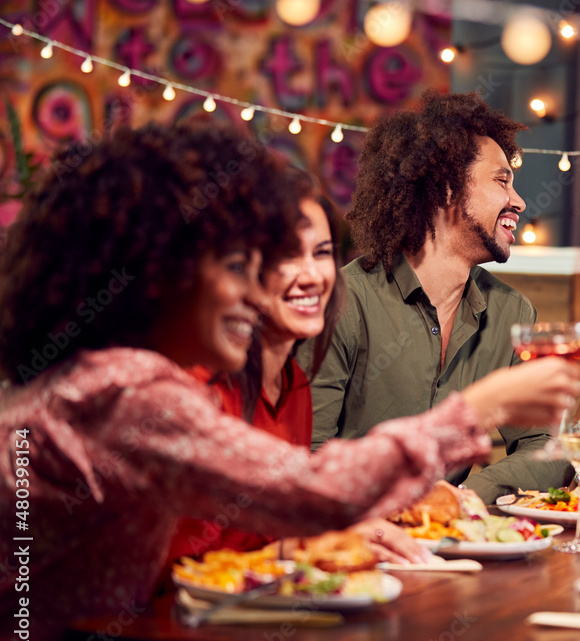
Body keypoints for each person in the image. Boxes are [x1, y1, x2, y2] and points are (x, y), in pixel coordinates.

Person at [0, 121, 580, 641]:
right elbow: (311, 491)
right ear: (161, 273)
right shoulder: (126, 389)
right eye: (236, 264)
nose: (257, 290)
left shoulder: (94, 376)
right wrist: (481, 409)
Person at [301, 90, 571, 504]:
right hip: (351, 541)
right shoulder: (344, 301)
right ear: (446, 188)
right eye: (502, 181)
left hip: (457, 546)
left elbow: (551, 447)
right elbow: (309, 458)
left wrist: (465, 497)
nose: (518, 201)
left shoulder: (510, 312)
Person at [168, 169, 430, 567]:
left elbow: (279, 534)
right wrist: (312, 544)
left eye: (322, 253)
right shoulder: (198, 388)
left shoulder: (295, 383)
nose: (312, 276)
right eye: (288, 255)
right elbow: (183, 569)